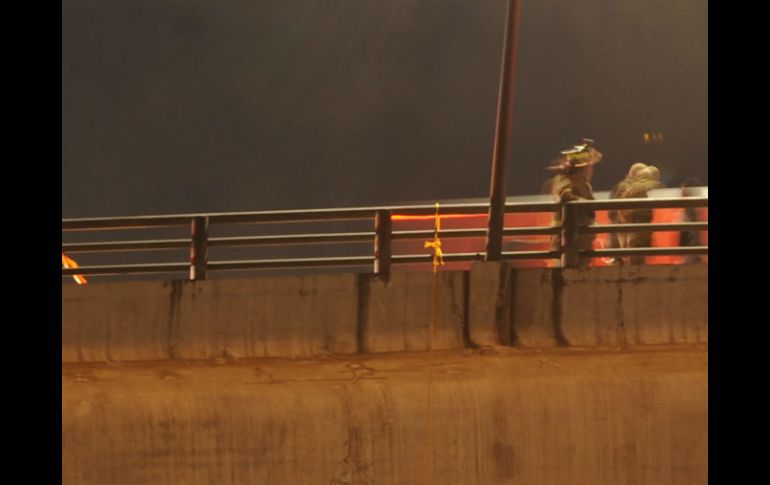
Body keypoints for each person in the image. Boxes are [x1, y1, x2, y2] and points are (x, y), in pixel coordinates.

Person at [547, 138, 603, 268]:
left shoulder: (583, 184)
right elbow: (564, 194)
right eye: (590, 167)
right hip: (568, 242)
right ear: (582, 168)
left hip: (581, 241)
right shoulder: (564, 180)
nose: (591, 170)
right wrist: (582, 202)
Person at [615, 165, 666, 264]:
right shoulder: (660, 187)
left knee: (636, 267)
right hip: (658, 235)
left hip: (636, 235)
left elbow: (621, 214)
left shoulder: (631, 190)